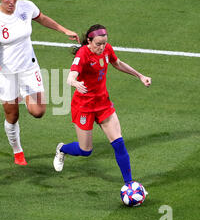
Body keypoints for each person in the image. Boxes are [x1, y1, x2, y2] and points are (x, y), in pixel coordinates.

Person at [0, 0, 80, 165]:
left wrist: (64, 30)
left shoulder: (26, 6)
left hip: (28, 68)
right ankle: (18, 151)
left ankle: (24, 93)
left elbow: (42, 18)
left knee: (38, 111)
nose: (12, 2)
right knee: (12, 115)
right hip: (6, 73)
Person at [53, 24, 152, 186]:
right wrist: (75, 83)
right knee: (85, 150)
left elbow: (117, 63)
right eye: (98, 44)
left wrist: (140, 76)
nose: (102, 47)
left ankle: (129, 184)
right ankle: (62, 149)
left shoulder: (106, 49)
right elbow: (70, 76)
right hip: (84, 106)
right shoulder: (83, 53)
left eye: (104, 43)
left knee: (119, 143)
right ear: (89, 41)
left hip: (103, 104)